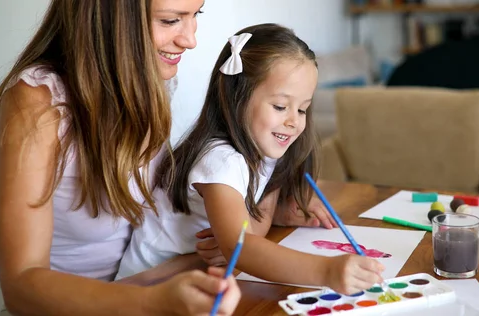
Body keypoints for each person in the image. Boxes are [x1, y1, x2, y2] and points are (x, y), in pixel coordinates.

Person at [0, 0, 240, 315]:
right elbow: (21, 286)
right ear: (111, 18)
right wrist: (154, 303)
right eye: (171, 20)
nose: (190, 39)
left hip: (141, 286)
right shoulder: (37, 103)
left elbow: (144, 217)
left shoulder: (151, 81)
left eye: (195, 14)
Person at [116, 23, 385, 295]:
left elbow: (249, 231)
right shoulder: (220, 160)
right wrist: (326, 271)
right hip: (144, 291)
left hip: (197, 279)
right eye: (280, 107)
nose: (293, 121)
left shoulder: (266, 150)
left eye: (303, 109)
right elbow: (240, 245)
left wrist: (277, 214)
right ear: (237, 98)